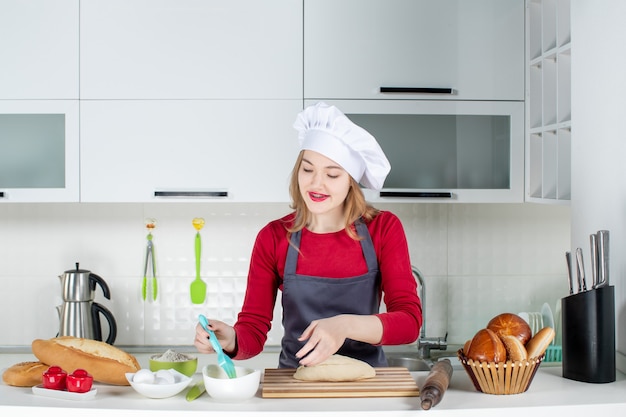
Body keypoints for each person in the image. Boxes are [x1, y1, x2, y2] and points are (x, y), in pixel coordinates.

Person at [194, 102, 422, 368]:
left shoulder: (383, 229)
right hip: (295, 382)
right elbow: (253, 328)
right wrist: (230, 339)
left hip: (366, 383)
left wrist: (344, 325)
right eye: (308, 169)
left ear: (351, 181)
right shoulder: (273, 237)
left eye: (332, 174)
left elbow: (409, 323)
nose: (316, 183)